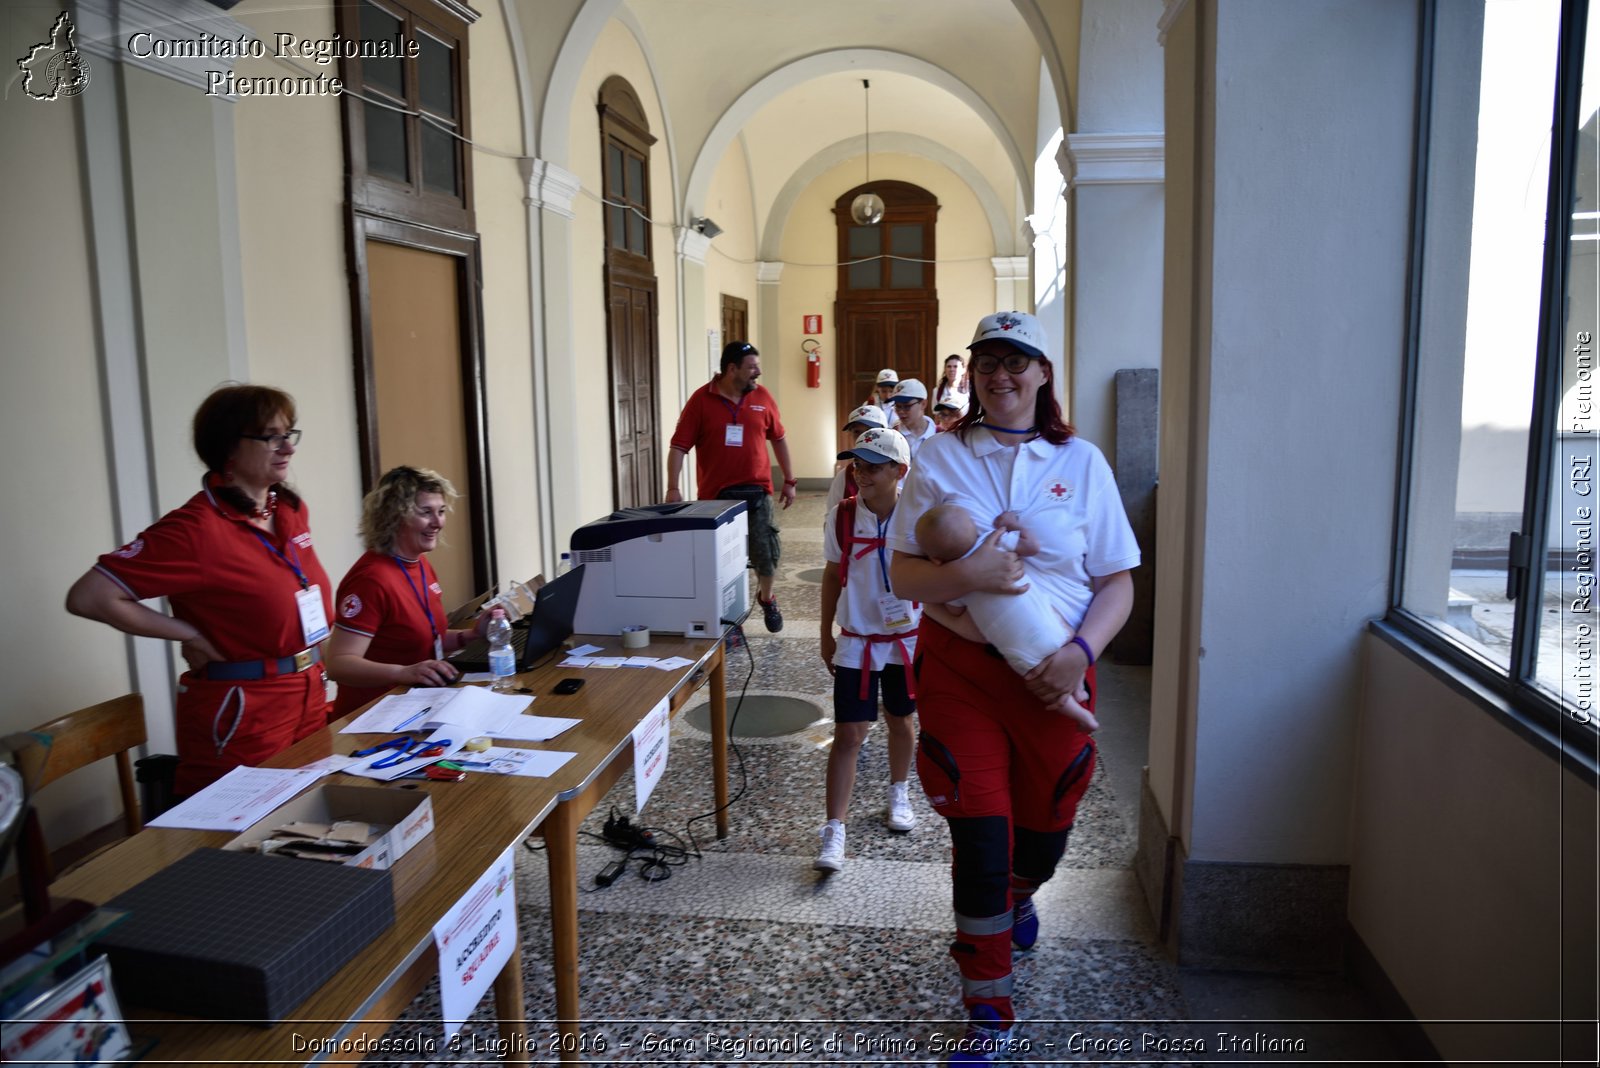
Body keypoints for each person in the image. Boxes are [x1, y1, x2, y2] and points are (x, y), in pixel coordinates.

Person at [887, 311, 1138, 1058]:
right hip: (962, 673)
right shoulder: (938, 454)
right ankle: (987, 1006)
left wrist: (1082, 653)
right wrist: (966, 574)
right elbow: (902, 571)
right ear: (974, 372)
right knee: (982, 836)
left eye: (1016, 362)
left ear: (1043, 374)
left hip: (1056, 672)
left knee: (1044, 836)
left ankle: (1020, 896)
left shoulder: (1083, 461)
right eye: (988, 361)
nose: (1001, 375)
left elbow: (1118, 582)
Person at [66, 384, 334, 796]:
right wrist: (187, 633)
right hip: (245, 706)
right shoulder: (195, 530)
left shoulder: (289, 510)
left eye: (288, 434)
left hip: (307, 689)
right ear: (229, 446)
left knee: (310, 813)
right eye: (270, 436)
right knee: (241, 830)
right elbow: (90, 596)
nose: (287, 448)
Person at [816, 427, 920, 873]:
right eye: (857, 465)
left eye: (873, 466)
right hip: (857, 641)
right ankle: (834, 828)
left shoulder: (918, 517)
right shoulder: (843, 515)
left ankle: (899, 790)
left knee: (901, 720)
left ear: (900, 471)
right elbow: (830, 574)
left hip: (905, 640)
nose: (861, 474)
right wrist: (825, 632)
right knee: (849, 735)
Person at [325, 466, 489, 718]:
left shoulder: (419, 563)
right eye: (426, 512)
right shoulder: (371, 579)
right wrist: (402, 672)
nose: (438, 522)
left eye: (441, 511)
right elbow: (338, 664)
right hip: (371, 718)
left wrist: (472, 635)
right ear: (394, 517)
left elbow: (421, 640)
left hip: (416, 706)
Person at [914, 505, 1095, 731]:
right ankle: (1079, 688)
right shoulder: (996, 543)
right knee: (1068, 642)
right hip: (1051, 626)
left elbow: (954, 612)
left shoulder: (957, 583)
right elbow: (1032, 546)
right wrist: (1011, 524)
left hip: (1021, 651)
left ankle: (1079, 713)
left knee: (1040, 679)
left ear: (936, 560)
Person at [667, 340, 796, 632]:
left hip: (758, 491)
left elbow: (778, 438)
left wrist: (789, 480)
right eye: (752, 367)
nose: (757, 373)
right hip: (716, 497)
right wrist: (672, 488)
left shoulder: (762, 397)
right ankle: (726, 616)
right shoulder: (701, 400)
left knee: (767, 552)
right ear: (731, 369)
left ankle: (767, 597)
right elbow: (678, 446)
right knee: (720, 563)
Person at [825, 403, 889, 513]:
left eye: (870, 432)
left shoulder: (898, 471)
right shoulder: (844, 477)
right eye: (856, 432)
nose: (863, 437)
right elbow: (831, 517)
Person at [887, 378, 937, 461]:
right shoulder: (892, 436)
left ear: (923, 404)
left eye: (907, 406)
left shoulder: (939, 434)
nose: (901, 411)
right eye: (898, 406)